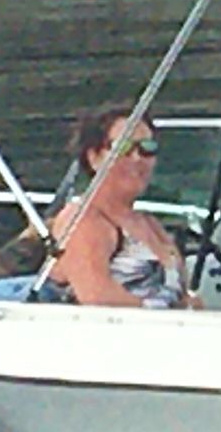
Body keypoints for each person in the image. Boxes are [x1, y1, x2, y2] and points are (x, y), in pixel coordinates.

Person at [48, 104, 198, 308]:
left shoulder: (151, 224)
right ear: (95, 157)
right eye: (123, 147)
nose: (137, 158)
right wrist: (163, 316)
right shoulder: (82, 219)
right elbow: (96, 296)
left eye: (147, 148)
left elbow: (180, 293)